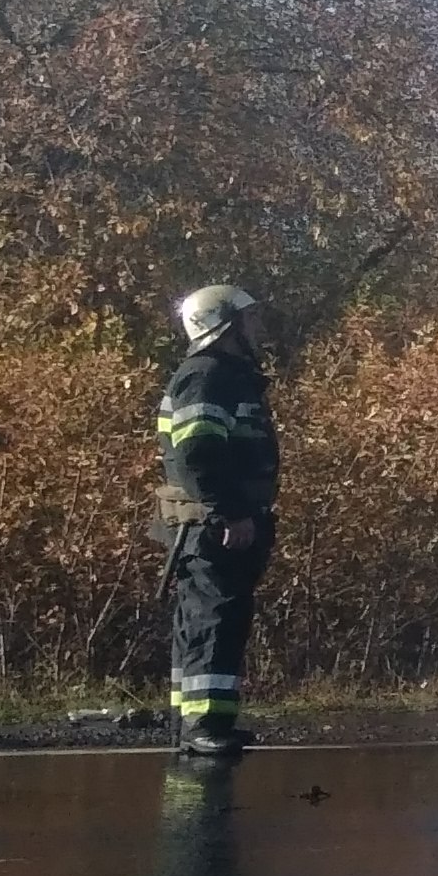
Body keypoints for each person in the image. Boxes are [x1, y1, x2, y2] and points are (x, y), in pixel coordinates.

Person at [153, 284, 280, 755]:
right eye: (250, 320)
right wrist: (230, 511)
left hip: (215, 523)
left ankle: (194, 725)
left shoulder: (229, 377)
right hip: (211, 526)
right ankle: (204, 725)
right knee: (214, 618)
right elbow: (197, 454)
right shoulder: (206, 377)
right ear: (224, 326)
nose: (259, 328)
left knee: (209, 617)